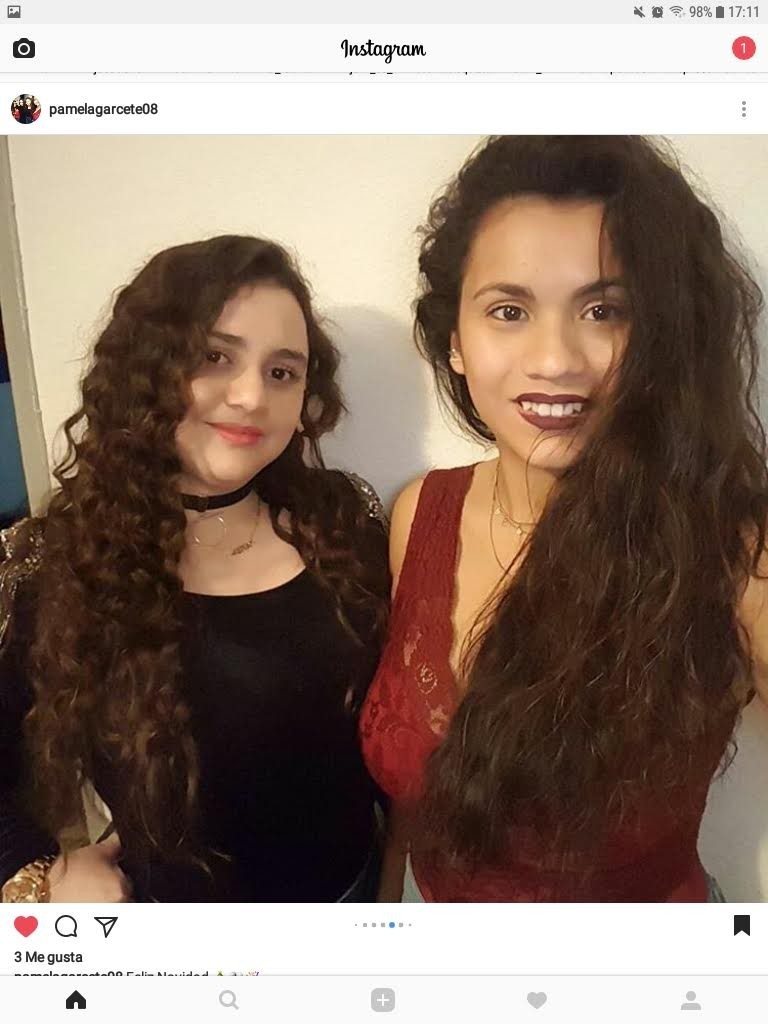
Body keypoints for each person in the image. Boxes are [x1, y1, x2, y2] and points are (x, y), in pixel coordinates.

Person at [361, 135, 768, 902]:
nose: (554, 360)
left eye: (604, 310)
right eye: (509, 310)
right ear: (455, 341)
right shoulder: (422, 513)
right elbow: (418, 807)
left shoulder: (732, 549)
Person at [0, 234, 390, 902]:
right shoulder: (56, 564)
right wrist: (44, 873)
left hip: (360, 905)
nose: (251, 396)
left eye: (282, 372)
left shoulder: (343, 525)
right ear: (147, 368)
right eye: (215, 357)